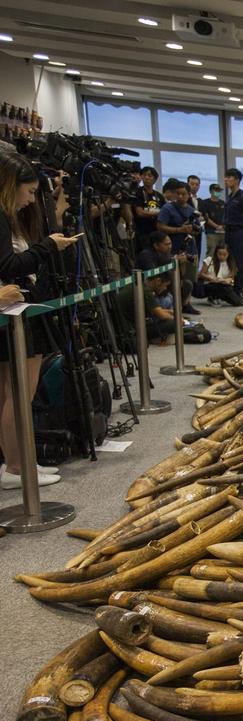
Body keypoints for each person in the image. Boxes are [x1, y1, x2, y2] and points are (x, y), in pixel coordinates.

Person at [0, 152, 81, 488]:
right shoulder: (2, 219)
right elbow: (9, 267)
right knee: (20, 392)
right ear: (11, 186)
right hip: (16, 314)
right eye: (30, 192)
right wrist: (48, 247)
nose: (32, 200)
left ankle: (17, 462)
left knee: (11, 391)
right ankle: (17, 467)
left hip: (15, 312)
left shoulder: (10, 218)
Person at [156, 179, 200, 314]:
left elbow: (196, 229)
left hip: (189, 247)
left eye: (183, 194)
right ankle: (173, 305)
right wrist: (179, 230)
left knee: (190, 278)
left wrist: (193, 228)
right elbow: (160, 227)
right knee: (174, 279)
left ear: (188, 195)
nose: (180, 197)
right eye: (178, 194)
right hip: (173, 248)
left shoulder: (192, 210)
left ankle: (186, 303)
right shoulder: (167, 208)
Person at [115, 265, 175, 348]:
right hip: (130, 328)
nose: (165, 288)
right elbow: (161, 314)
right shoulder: (144, 290)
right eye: (165, 285)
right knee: (173, 324)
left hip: (125, 324)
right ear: (158, 281)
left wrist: (172, 313)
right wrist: (179, 320)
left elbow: (158, 310)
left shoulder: (140, 284)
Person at [222, 168, 243, 304]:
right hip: (229, 232)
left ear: (237, 180)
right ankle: (236, 293)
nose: (226, 180)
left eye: (229, 177)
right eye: (226, 177)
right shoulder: (230, 198)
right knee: (233, 264)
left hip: (239, 233)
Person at [198, 241, 243, 307]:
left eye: (224, 255)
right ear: (216, 253)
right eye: (219, 254)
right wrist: (211, 278)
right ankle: (212, 297)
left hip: (224, 286)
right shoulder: (209, 260)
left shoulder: (231, 264)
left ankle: (220, 297)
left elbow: (231, 278)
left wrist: (228, 280)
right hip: (210, 285)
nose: (222, 256)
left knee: (237, 302)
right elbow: (201, 274)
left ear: (228, 254)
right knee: (217, 287)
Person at [130, 165, 164, 253]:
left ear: (155, 179)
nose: (146, 177)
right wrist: (157, 213)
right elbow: (139, 212)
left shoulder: (159, 196)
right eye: (144, 175)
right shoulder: (137, 193)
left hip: (156, 232)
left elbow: (165, 212)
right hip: (142, 232)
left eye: (149, 175)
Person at [198, 182, 225, 260]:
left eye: (219, 190)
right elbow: (206, 218)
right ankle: (207, 270)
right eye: (216, 190)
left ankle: (219, 270)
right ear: (210, 191)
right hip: (211, 232)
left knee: (222, 253)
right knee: (211, 253)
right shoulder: (205, 203)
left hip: (223, 232)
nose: (218, 192)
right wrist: (217, 226)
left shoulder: (222, 203)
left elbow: (226, 216)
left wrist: (222, 227)